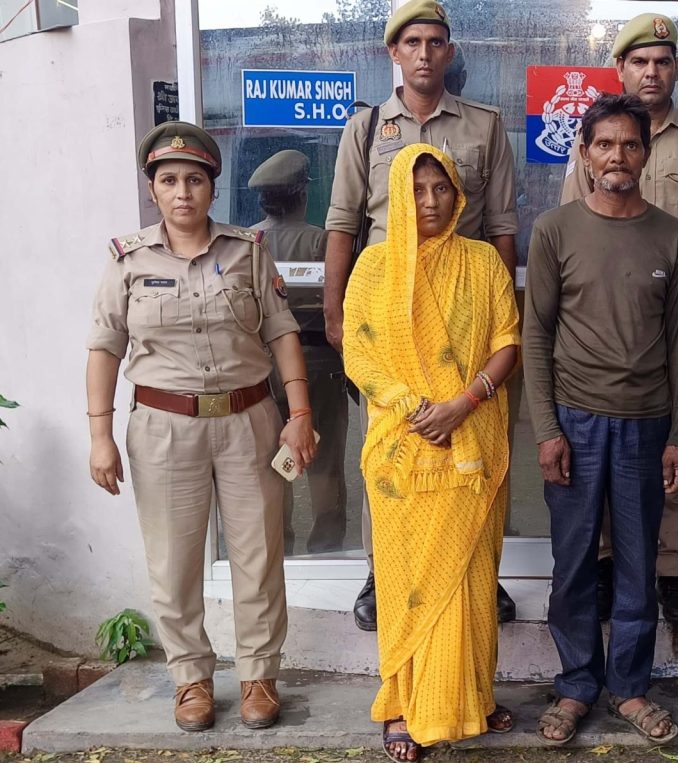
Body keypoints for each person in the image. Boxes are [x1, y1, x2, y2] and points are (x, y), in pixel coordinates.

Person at [86, 122, 318, 731]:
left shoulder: (248, 250)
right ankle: (190, 679)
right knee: (174, 560)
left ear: (212, 187)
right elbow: (105, 348)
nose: (182, 192)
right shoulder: (127, 260)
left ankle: (259, 676)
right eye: (169, 180)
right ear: (153, 190)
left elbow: (282, 333)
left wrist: (299, 414)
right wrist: (100, 435)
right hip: (164, 426)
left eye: (194, 179)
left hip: (248, 420)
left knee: (258, 553)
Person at [324, 0, 519, 630]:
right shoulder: (365, 129)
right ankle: (382, 570)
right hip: (388, 314)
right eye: (412, 42)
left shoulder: (485, 125)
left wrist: (499, 310)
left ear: (450, 51)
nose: (425, 53)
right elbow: (342, 223)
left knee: (470, 438)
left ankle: (476, 567)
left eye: (436, 42)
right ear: (394, 53)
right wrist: (335, 314)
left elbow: (501, 224)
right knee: (392, 441)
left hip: (463, 305)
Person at [525, 94, 678, 746]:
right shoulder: (554, 230)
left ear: (646, 154)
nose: (617, 156)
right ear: (584, 152)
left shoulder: (673, 237)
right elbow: (536, 334)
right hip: (574, 423)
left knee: (636, 565)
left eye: (629, 144)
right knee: (573, 563)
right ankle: (575, 685)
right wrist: (547, 429)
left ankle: (629, 687)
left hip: (646, 424)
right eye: (604, 144)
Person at [342, 143, 520, 762]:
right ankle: (401, 705)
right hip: (403, 453)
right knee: (408, 584)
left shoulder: (482, 261)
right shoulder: (374, 266)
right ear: (397, 196)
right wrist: (414, 406)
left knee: (472, 577)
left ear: (458, 194)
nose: (430, 201)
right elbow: (358, 352)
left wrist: (462, 405)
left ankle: (473, 697)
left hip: (471, 445)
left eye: (441, 188)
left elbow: (507, 341)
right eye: (416, 190)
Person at [561, 13, 678, 624]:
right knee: (606, 441)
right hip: (609, 317)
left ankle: (669, 568)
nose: (652, 72)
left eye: (663, 61)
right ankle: (608, 561)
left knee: (674, 440)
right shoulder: (594, 138)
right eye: (639, 61)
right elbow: (571, 224)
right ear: (621, 69)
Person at [249, 149, 347, 555]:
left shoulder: (250, 243)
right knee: (324, 462)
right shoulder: (321, 241)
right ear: (302, 195)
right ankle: (326, 548)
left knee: (273, 461)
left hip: (263, 364)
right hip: (318, 361)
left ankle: (280, 550)